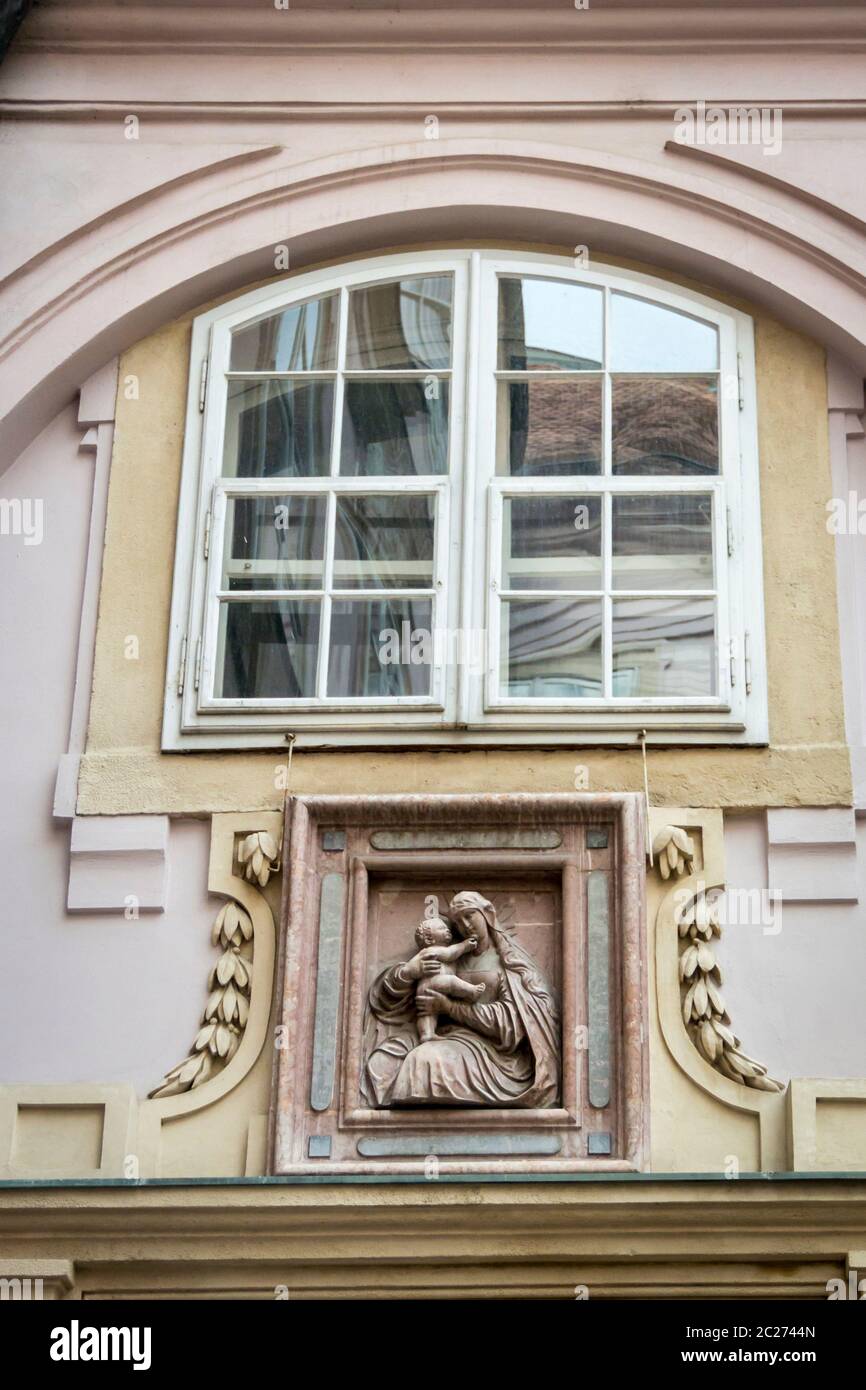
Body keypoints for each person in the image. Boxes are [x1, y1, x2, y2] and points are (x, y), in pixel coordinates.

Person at [362, 890, 560, 1108]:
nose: (465, 925)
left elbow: (512, 1027)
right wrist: (409, 972)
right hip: (442, 1033)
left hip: (493, 1052)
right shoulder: (453, 956)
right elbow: (386, 1001)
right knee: (381, 1064)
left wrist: (449, 1007)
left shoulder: (509, 965)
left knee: (425, 1061)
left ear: (488, 914)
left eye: (469, 915)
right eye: (458, 921)